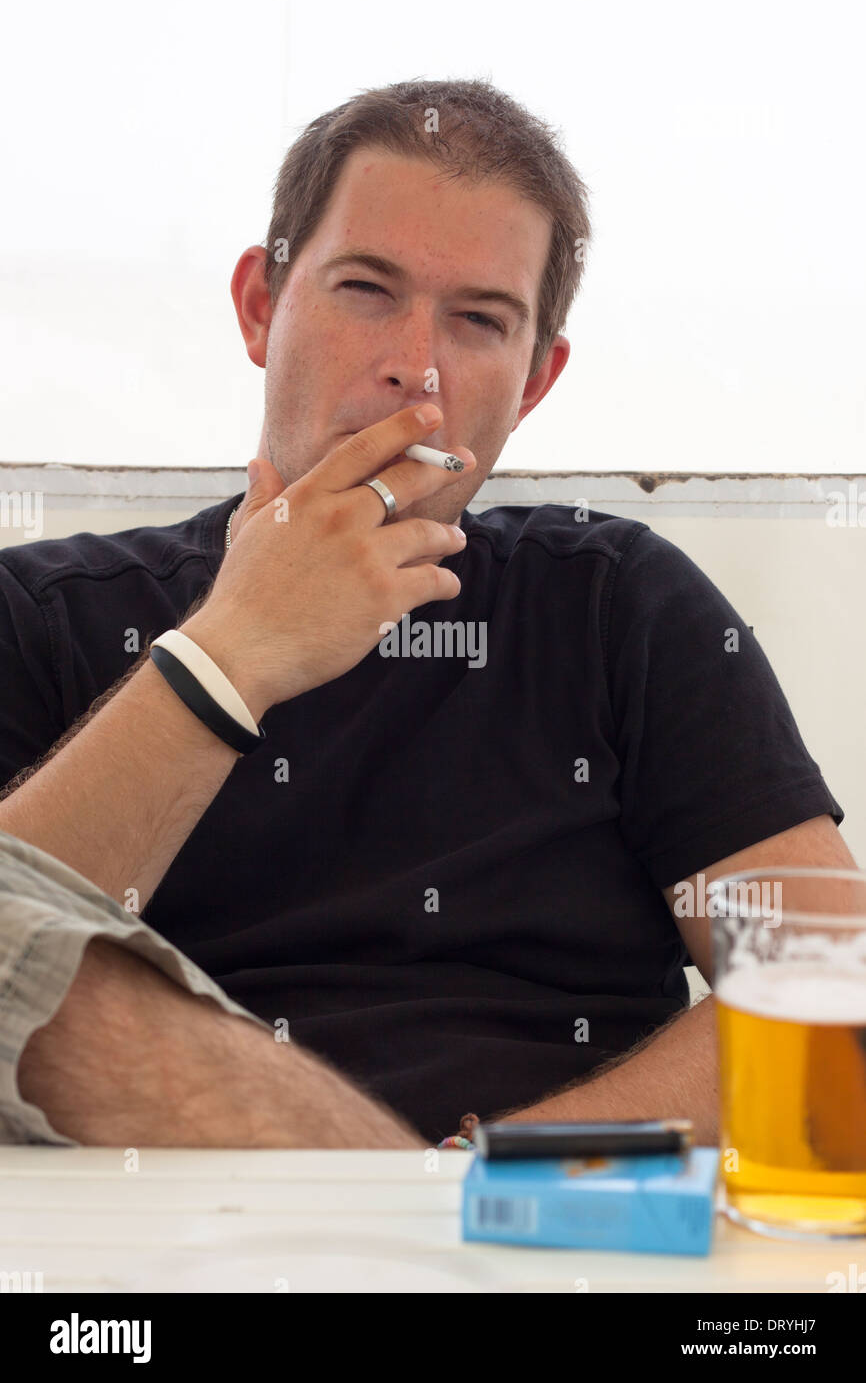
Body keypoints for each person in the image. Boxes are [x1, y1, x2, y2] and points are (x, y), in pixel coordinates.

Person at [0, 79, 852, 1152]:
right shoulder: (46, 614)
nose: (417, 362)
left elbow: (832, 990)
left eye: (480, 319)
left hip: (539, 1227)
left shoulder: (615, 602)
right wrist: (233, 655)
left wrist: (491, 1180)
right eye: (365, 288)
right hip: (178, 1222)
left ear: (534, 380)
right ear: (260, 307)